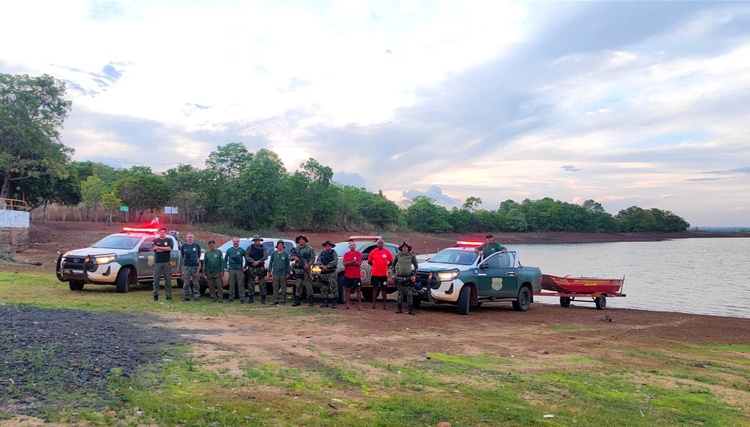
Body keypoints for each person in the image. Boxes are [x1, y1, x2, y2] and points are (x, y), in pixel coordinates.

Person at [392, 242, 419, 315]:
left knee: (409, 293)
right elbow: (393, 265)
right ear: (401, 248)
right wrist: (393, 274)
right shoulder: (398, 255)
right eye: (403, 247)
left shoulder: (411, 256)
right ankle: (399, 309)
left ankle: (410, 309)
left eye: (406, 247)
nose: (405, 249)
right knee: (400, 294)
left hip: (408, 277)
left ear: (408, 249)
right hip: (400, 277)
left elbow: (416, 266)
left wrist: (414, 275)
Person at [368, 238, 393, 309]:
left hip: (384, 274)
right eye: (379, 243)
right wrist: (374, 265)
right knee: (374, 288)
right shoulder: (373, 252)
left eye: (382, 243)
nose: (380, 244)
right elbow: (369, 261)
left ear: (383, 244)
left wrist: (386, 266)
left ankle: (385, 304)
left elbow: (391, 261)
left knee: (384, 289)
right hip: (375, 274)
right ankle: (373, 304)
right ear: (377, 244)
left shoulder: (387, 252)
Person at [291, 235, 315, 307]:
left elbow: (313, 258)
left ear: (305, 240)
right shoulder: (295, 249)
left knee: (308, 285)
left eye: (302, 239)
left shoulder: (309, 249)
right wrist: (294, 258)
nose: (301, 241)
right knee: (298, 285)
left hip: (306, 269)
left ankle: (310, 301)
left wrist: (308, 264)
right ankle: (297, 300)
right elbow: (290, 257)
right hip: (298, 269)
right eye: (300, 240)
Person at [244, 236, 269, 304]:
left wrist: (258, 261)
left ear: (260, 240)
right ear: (254, 241)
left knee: (262, 283)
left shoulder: (263, 247)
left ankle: (263, 299)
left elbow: (266, 256)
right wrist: (253, 261)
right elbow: (246, 256)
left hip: (260, 267)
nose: (257, 241)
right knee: (251, 283)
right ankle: (250, 298)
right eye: (255, 240)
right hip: (251, 267)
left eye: (258, 240)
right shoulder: (250, 247)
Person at [152, 227, 173, 301]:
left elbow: (170, 249)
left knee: (168, 280)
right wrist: (164, 248)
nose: (162, 233)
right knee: (156, 279)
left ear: (165, 233)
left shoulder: (169, 240)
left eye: (164, 232)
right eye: (161, 232)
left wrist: (159, 247)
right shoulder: (155, 240)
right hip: (158, 262)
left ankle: (168, 295)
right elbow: (156, 250)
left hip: (166, 262)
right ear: (159, 233)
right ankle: (155, 295)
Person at [342, 239, 364, 310]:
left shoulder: (358, 254)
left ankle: (360, 305)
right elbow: (345, 263)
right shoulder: (346, 254)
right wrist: (353, 261)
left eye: (353, 245)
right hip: (348, 275)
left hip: (356, 275)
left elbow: (359, 263)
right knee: (347, 290)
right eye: (351, 245)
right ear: (349, 246)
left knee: (358, 290)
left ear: (355, 246)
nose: (352, 246)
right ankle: (347, 305)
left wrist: (350, 262)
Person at [267, 240, 291, 305]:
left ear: (283, 246)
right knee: (275, 286)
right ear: (277, 246)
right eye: (279, 245)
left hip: (283, 273)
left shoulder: (286, 254)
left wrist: (288, 273)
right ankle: (275, 299)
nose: (280, 246)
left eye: (281, 244)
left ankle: (283, 299)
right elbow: (271, 263)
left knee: (283, 287)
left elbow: (288, 264)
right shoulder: (273, 254)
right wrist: (269, 271)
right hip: (275, 273)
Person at [317, 240, 339, 308]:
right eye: (326, 245)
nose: (327, 247)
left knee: (333, 287)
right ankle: (325, 301)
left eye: (329, 245)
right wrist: (322, 266)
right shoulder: (322, 253)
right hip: (323, 273)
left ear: (331, 246)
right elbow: (318, 261)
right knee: (324, 288)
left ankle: (334, 302)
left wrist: (328, 266)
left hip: (331, 272)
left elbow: (335, 261)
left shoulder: (333, 253)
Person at [180, 232, 201, 302]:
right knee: (186, 283)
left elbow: (199, 254)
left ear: (193, 238)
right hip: (186, 266)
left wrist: (195, 260)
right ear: (186, 238)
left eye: (191, 237)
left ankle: (196, 297)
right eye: (189, 237)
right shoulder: (183, 246)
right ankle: (186, 297)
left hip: (195, 266)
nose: (190, 238)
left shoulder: (197, 245)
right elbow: (183, 255)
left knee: (196, 282)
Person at [224, 236, 245, 303]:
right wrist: (225, 267)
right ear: (232, 242)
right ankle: (231, 297)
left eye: (237, 241)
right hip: (231, 269)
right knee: (231, 284)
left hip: (239, 269)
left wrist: (245, 267)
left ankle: (242, 298)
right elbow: (225, 259)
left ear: (239, 242)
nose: (235, 243)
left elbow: (247, 259)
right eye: (234, 241)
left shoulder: (241, 250)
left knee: (240, 284)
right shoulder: (229, 250)